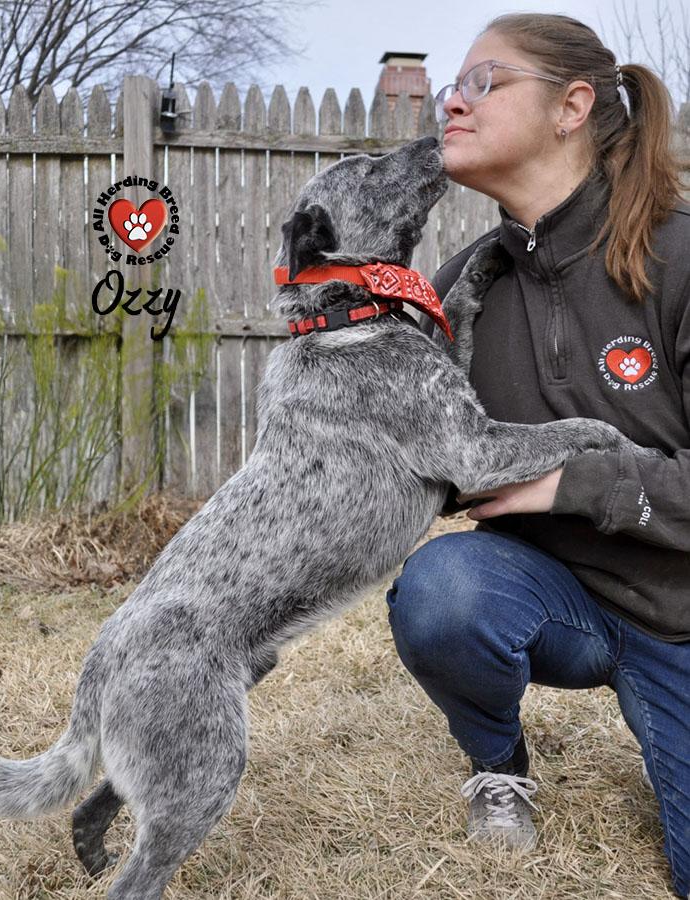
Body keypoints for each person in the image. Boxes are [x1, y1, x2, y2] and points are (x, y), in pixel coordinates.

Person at [384, 13, 690, 898]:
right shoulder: (465, 284)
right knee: (444, 592)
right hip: (556, 600)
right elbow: (426, 472)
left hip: (680, 606)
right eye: (452, 83)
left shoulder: (680, 255)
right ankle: (498, 761)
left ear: (572, 107)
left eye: (485, 81)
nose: (453, 102)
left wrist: (570, 482)